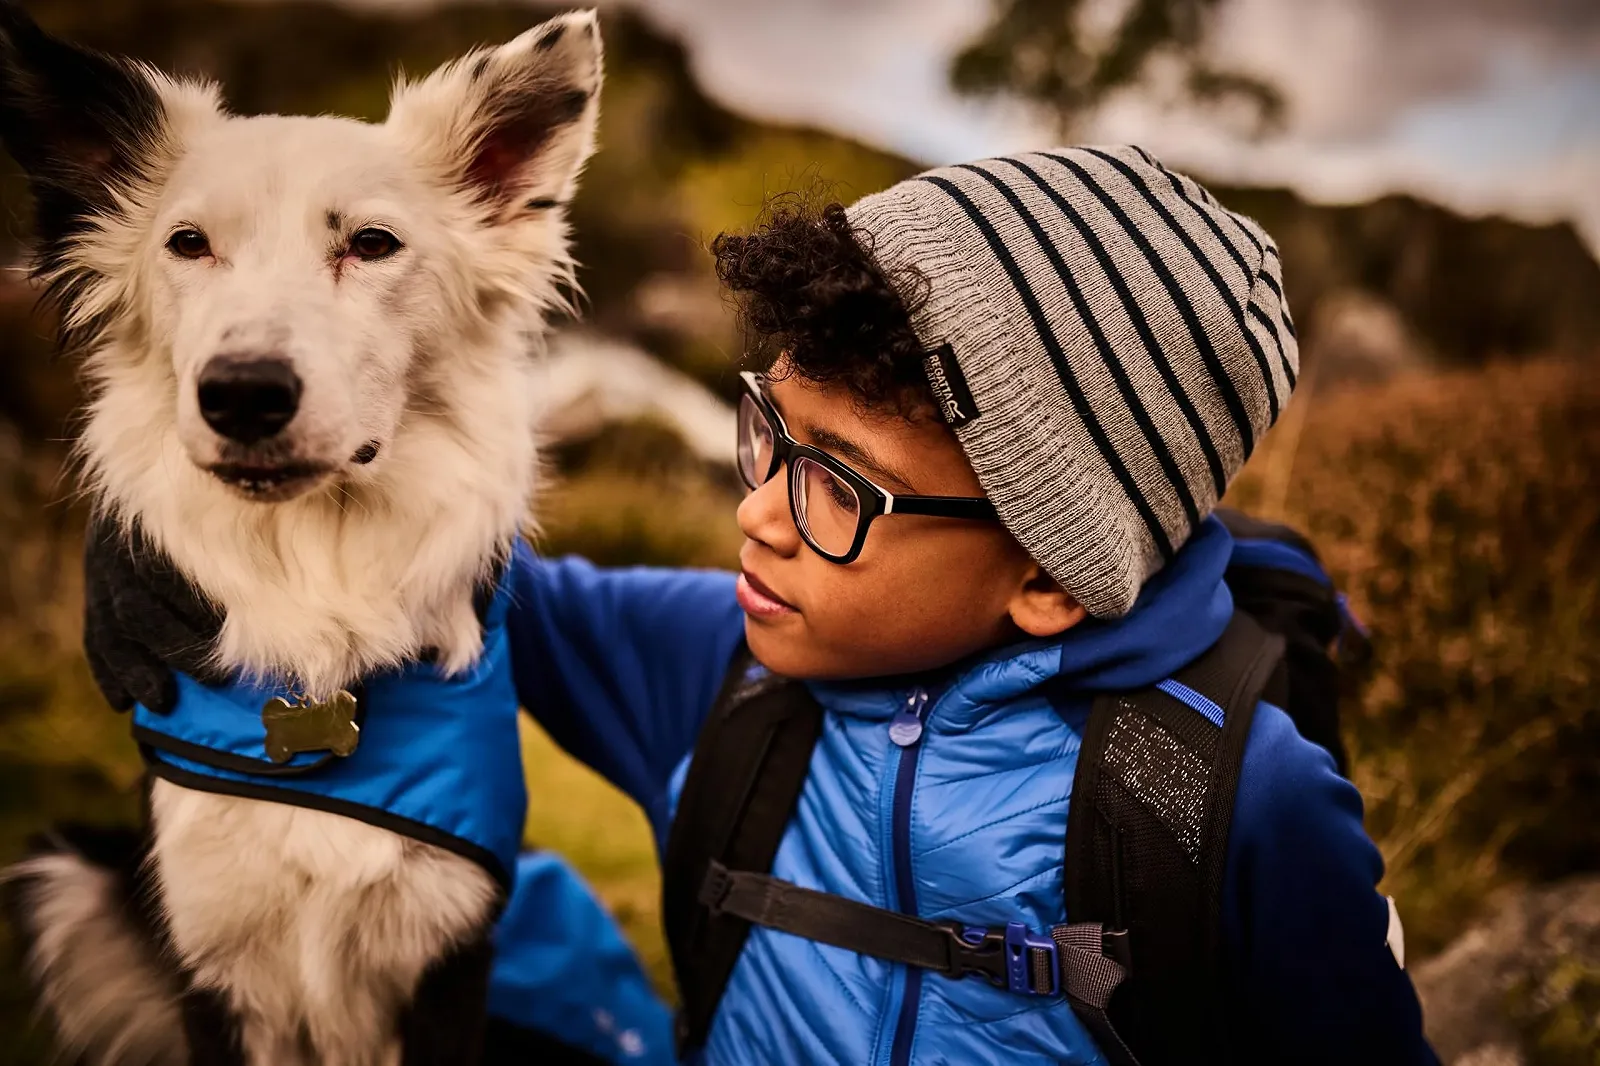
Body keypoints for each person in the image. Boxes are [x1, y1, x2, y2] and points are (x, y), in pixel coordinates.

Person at [86, 147, 1438, 1064]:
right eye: (767, 437)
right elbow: (444, 565)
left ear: (1047, 571)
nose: (760, 510)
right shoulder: (719, 665)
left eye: (839, 488)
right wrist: (179, 534)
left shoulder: (1232, 798)